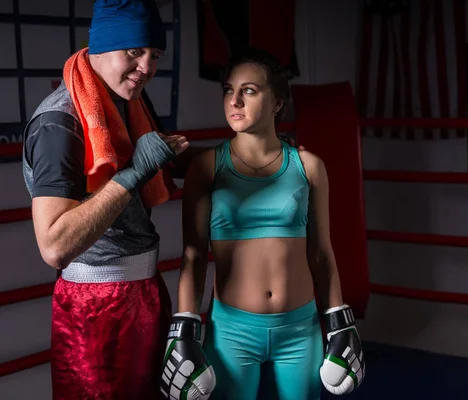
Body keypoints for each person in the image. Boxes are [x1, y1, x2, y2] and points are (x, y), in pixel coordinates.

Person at [161, 49, 365, 400]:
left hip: (299, 330)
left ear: (276, 103)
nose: (234, 101)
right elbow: (193, 254)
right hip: (232, 332)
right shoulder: (207, 168)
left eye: (249, 90)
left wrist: (338, 321)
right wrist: (184, 327)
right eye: (228, 90)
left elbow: (321, 252)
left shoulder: (309, 166)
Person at [21, 1, 198, 398]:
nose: (146, 68)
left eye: (154, 55)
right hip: (94, 308)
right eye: (134, 52)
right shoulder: (59, 124)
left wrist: (257, 156)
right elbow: (54, 245)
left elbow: (167, 151)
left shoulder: (127, 96)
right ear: (101, 46)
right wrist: (134, 174)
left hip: (145, 291)